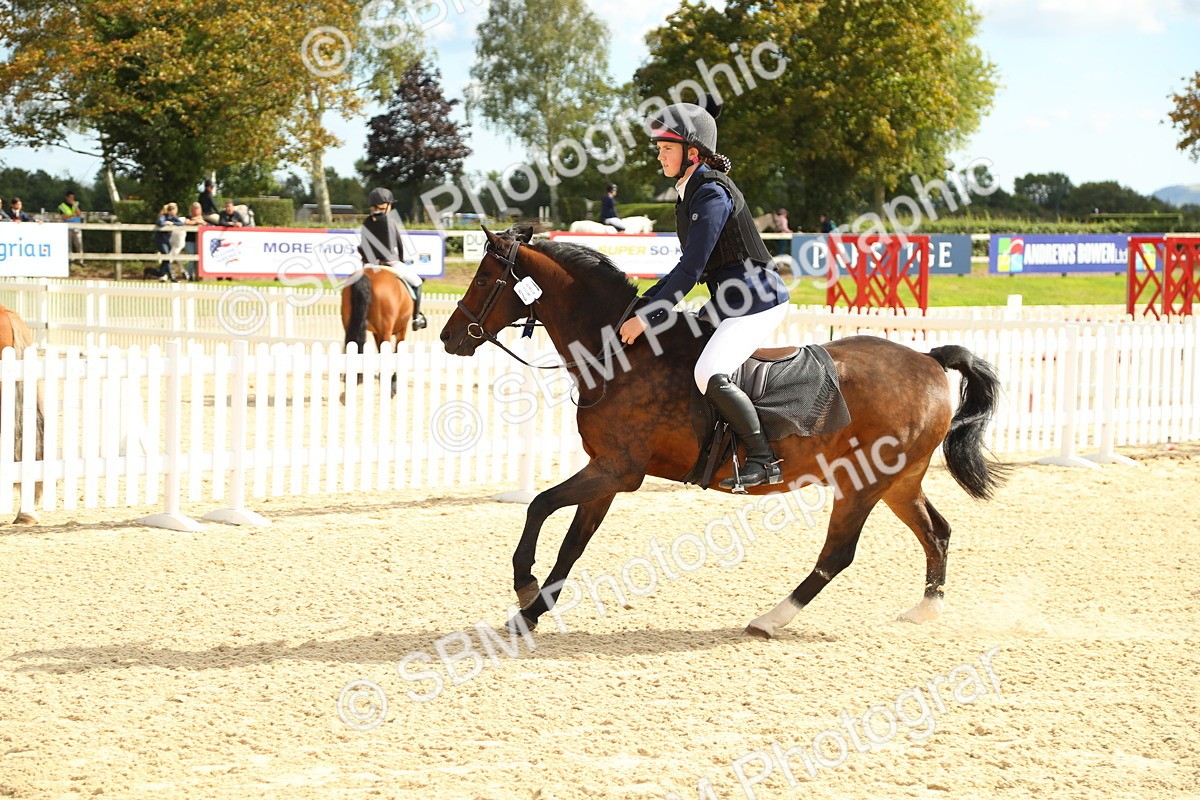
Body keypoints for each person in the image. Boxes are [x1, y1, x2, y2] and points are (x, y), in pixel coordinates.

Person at [617, 99, 790, 490]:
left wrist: (646, 316)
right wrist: (642, 303)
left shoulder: (711, 194)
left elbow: (692, 271)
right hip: (730, 299)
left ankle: (764, 460)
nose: (660, 157)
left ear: (692, 153)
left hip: (756, 301)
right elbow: (683, 269)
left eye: (667, 149)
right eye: (659, 149)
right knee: (680, 347)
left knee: (708, 372)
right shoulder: (691, 190)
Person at [359, 186, 426, 331]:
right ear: (387, 205)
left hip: (369, 265)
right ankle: (416, 317)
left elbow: (362, 247)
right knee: (417, 282)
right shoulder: (390, 221)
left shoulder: (366, 222)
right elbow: (398, 245)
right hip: (390, 262)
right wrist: (399, 260)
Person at [155, 202, 187, 281]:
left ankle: (161, 272)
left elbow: (180, 223)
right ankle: (171, 276)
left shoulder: (173, 217)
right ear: (172, 210)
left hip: (167, 240)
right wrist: (166, 223)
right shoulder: (163, 216)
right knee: (167, 256)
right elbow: (160, 222)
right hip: (161, 240)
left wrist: (172, 223)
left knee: (167, 257)